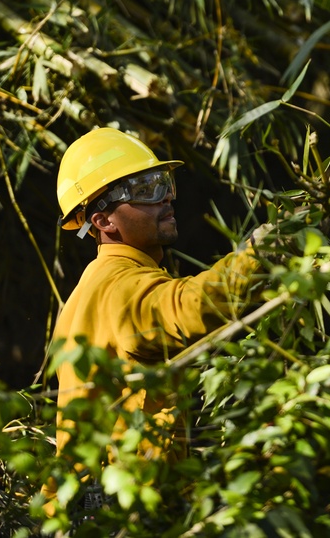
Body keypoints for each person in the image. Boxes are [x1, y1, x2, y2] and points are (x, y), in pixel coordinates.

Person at [43, 126, 263, 514]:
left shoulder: (91, 288)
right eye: (145, 191)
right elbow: (189, 308)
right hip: (119, 506)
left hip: (93, 503)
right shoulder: (118, 288)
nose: (166, 200)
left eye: (165, 183)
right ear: (103, 222)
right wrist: (262, 254)